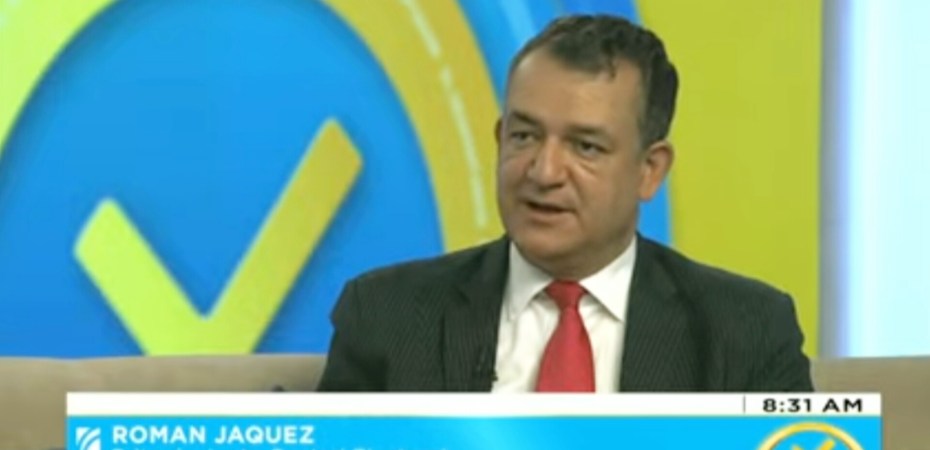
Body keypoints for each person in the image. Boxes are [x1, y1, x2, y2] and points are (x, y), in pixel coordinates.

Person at [317, 14, 813, 392]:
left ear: (649, 170)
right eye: (525, 136)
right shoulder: (387, 316)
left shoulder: (744, 331)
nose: (544, 172)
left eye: (586, 146)